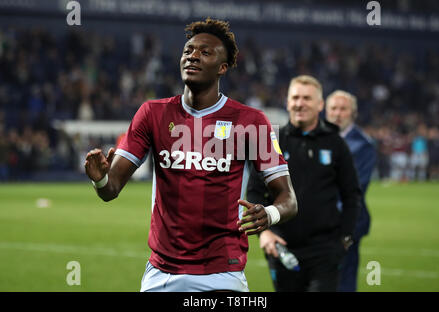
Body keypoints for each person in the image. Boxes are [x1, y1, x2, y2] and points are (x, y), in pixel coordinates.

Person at [84, 18, 297, 292]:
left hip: (223, 274)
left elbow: (289, 199)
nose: (193, 56)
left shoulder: (250, 121)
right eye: (188, 51)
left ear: (223, 68)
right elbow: (110, 190)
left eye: (205, 52)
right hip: (161, 274)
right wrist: (100, 179)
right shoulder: (152, 113)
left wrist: (269, 213)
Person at [247, 75, 361, 292]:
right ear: (287, 102)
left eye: (307, 98)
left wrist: (344, 239)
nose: (300, 103)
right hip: (281, 249)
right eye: (295, 97)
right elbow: (254, 193)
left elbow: (352, 195)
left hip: (325, 251)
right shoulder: (272, 141)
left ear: (320, 105)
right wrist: (264, 234)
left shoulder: (335, 143)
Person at [325, 90, 376, 292]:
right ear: (326, 111)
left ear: (353, 113)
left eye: (343, 109)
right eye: (333, 108)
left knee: (343, 281)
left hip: (346, 223)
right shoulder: (318, 137)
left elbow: (354, 188)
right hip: (318, 224)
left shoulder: (363, 145)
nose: (337, 113)